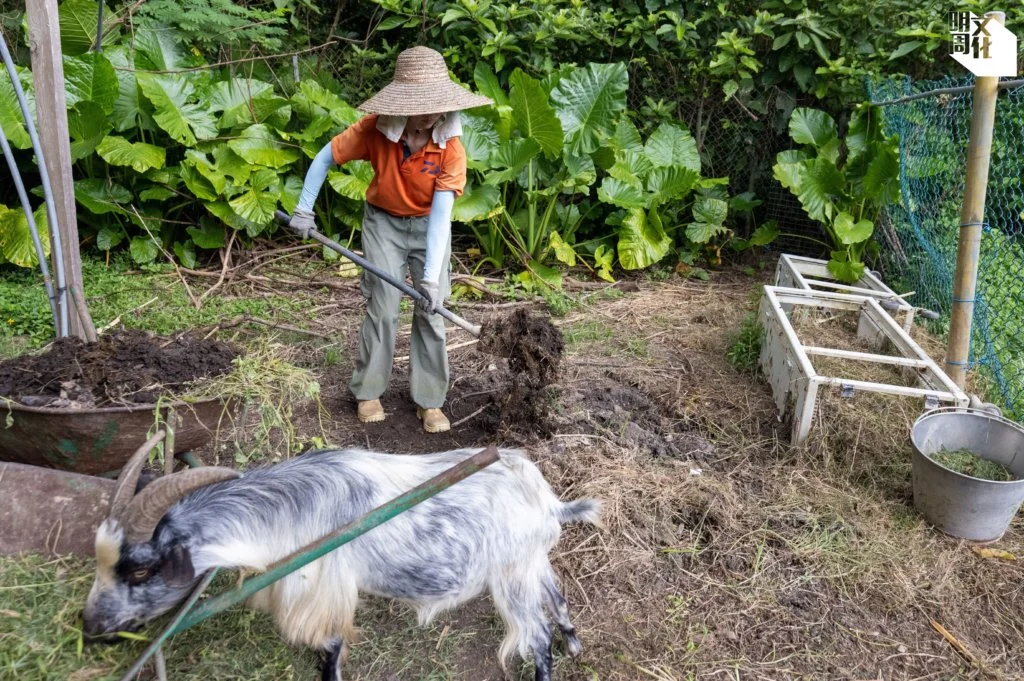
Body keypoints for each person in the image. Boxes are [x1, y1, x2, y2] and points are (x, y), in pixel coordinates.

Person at [289, 46, 492, 433]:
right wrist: (303, 209)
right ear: (403, 104)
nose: (431, 113)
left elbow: (441, 216)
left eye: (437, 104)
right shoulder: (375, 130)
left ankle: (429, 401)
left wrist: (430, 279)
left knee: (431, 309)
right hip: (384, 223)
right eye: (422, 104)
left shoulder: (450, 146)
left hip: (428, 226)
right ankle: (368, 391)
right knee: (383, 305)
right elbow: (325, 158)